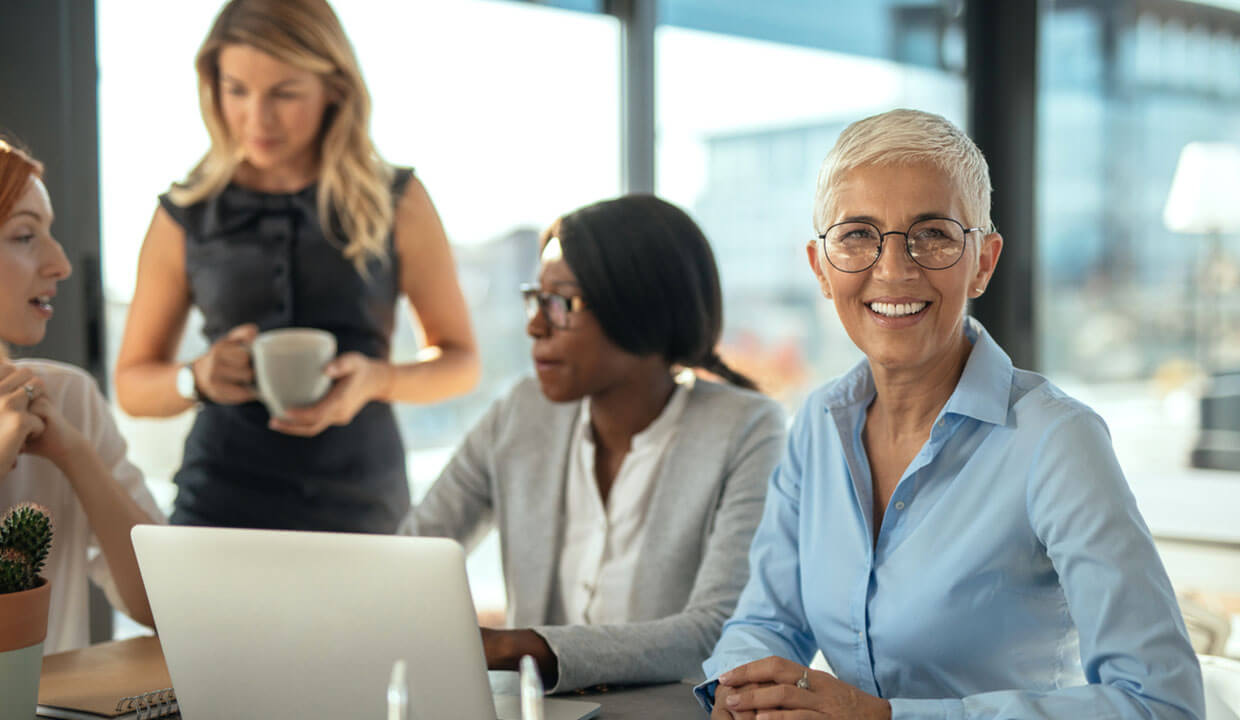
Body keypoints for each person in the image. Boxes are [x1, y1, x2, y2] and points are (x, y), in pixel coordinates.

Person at [700, 110, 1204, 720]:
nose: (893, 269)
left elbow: (1161, 704)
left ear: (983, 262)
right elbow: (764, 620)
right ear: (821, 269)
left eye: (932, 233)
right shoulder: (818, 423)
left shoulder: (1056, 441)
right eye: (858, 234)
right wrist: (745, 688)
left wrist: (884, 718)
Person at [114, 0, 479, 533]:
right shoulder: (183, 214)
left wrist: (377, 380)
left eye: (284, 93)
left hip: (363, 506)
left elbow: (461, 362)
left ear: (335, 88)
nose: (256, 118)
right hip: (217, 505)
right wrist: (197, 377)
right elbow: (131, 385)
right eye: (236, 89)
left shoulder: (396, 200)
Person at [399, 194, 787, 692]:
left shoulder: (748, 428)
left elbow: (717, 629)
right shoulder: (521, 413)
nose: (535, 325)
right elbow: (412, 557)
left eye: (561, 303)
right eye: (535, 299)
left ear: (641, 308)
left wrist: (515, 647)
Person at [0, 138, 165, 653]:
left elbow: (160, 603)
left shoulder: (67, 398)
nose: (61, 264)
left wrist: (75, 455)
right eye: (25, 235)